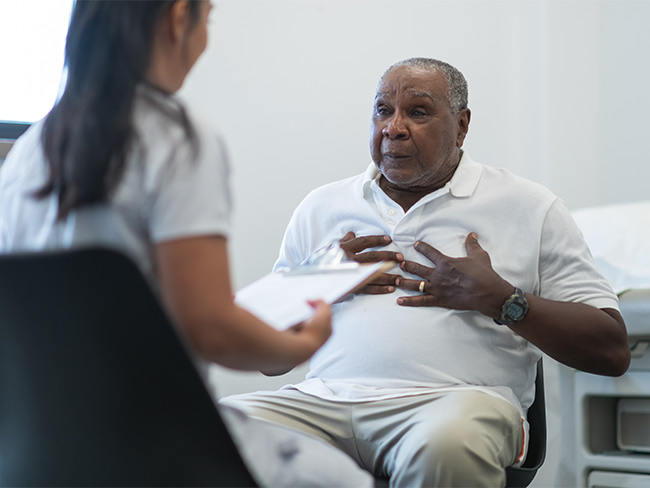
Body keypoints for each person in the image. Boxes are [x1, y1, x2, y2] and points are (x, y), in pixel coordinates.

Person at [0, 2, 373, 486]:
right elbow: (210, 328)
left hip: (44, 448)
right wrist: (302, 341)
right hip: (159, 446)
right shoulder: (178, 139)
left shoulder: (27, 154)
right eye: (209, 17)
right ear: (180, 18)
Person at [221, 57, 631, 487]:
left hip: (457, 403)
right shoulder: (321, 207)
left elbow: (611, 351)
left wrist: (501, 300)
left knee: (447, 443)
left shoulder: (530, 206)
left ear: (461, 125)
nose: (393, 128)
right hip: (322, 404)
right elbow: (267, 362)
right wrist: (318, 282)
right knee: (218, 427)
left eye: (417, 112)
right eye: (383, 110)